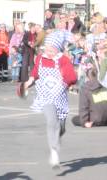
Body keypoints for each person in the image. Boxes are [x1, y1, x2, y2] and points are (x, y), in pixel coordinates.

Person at [24, 31, 77, 168]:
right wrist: (29, 81)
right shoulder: (41, 58)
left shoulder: (63, 60)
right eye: (47, 48)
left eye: (52, 49)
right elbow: (35, 72)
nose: (49, 51)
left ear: (57, 48)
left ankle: (57, 139)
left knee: (61, 127)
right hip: (45, 96)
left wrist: (63, 78)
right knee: (51, 122)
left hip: (59, 97)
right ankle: (54, 151)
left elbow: (72, 78)